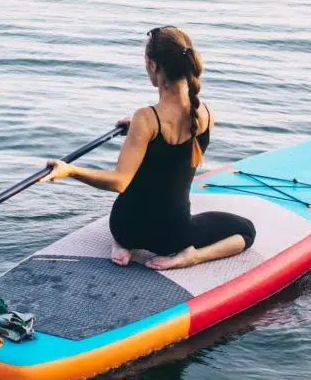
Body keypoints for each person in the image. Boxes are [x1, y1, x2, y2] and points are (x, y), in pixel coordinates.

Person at [40, 26, 256, 270]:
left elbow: (119, 182)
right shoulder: (205, 114)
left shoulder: (146, 119)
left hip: (125, 228)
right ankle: (190, 257)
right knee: (247, 231)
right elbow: (172, 158)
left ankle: (121, 245)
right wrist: (140, 132)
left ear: (154, 66)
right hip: (172, 237)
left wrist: (69, 171)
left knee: (135, 197)